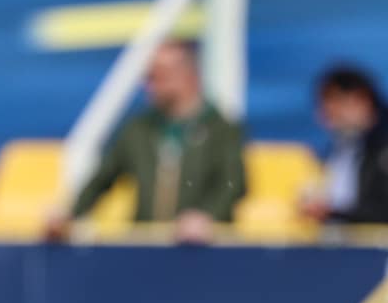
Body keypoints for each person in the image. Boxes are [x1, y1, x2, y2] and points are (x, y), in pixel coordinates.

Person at [45, 39, 246, 244]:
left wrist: (207, 218)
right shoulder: (139, 130)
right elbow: (102, 179)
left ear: (189, 74)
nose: (149, 85)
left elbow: (234, 184)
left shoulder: (221, 129)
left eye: (158, 75)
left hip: (201, 249)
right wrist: (70, 213)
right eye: (147, 76)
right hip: (145, 247)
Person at [306, 64, 388, 225]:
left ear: (360, 100)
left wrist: (332, 213)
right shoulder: (341, 146)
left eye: (333, 102)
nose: (326, 113)